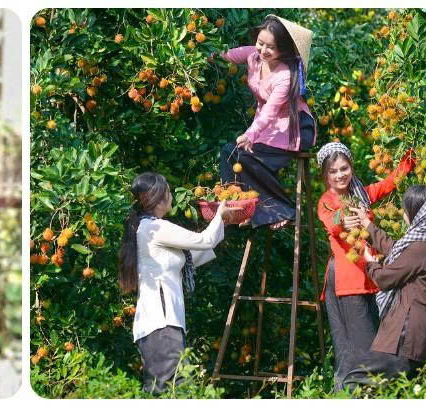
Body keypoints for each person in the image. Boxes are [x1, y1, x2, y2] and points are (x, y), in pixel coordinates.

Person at [118, 172, 238, 394]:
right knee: (174, 389)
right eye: (169, 192)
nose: (171, 196)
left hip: (160, 326)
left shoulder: (145, 228)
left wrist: (224, 223)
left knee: (164, 389)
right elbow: (204, 240)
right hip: (161, 324)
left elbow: (192, 256)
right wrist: (220, 213)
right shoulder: (155, 228)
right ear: (159, 198)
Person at [314, 142, 414, 391]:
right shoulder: (327, 201)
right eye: (333, 171)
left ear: (351, 167)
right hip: (347, 280)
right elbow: (332, 224)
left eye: (344, 168)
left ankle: (347, 395)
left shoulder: (361, 195)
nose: (340, 175)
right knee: (365, 348)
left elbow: (390, 182)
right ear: (325, 174)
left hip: (367, 278)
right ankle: (360, 394)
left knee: (356, 348)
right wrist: (343, 220)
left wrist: (412, 155)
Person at [211, 15, 317, 229]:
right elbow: (226, 56)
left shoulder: (285, 75)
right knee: (229, 152)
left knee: (247, 156)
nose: (263, 50)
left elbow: (270, 112)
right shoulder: (253, 55)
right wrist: (201, 57)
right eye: (261, 43)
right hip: (269, 127)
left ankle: (282, 210)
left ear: (284, 50)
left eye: (271, 47)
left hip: (293, 127)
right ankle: (238, 207)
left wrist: (251, 134)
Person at [359, 185, 426, 378]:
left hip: (404, 338)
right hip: (422, 336)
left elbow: (385, 278)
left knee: (358, 381)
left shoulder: (420, 248)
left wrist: (370, 262)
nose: (403, 214)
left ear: (418, 214)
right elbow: (400, 254)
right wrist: (367, 226)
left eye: (406, 210)